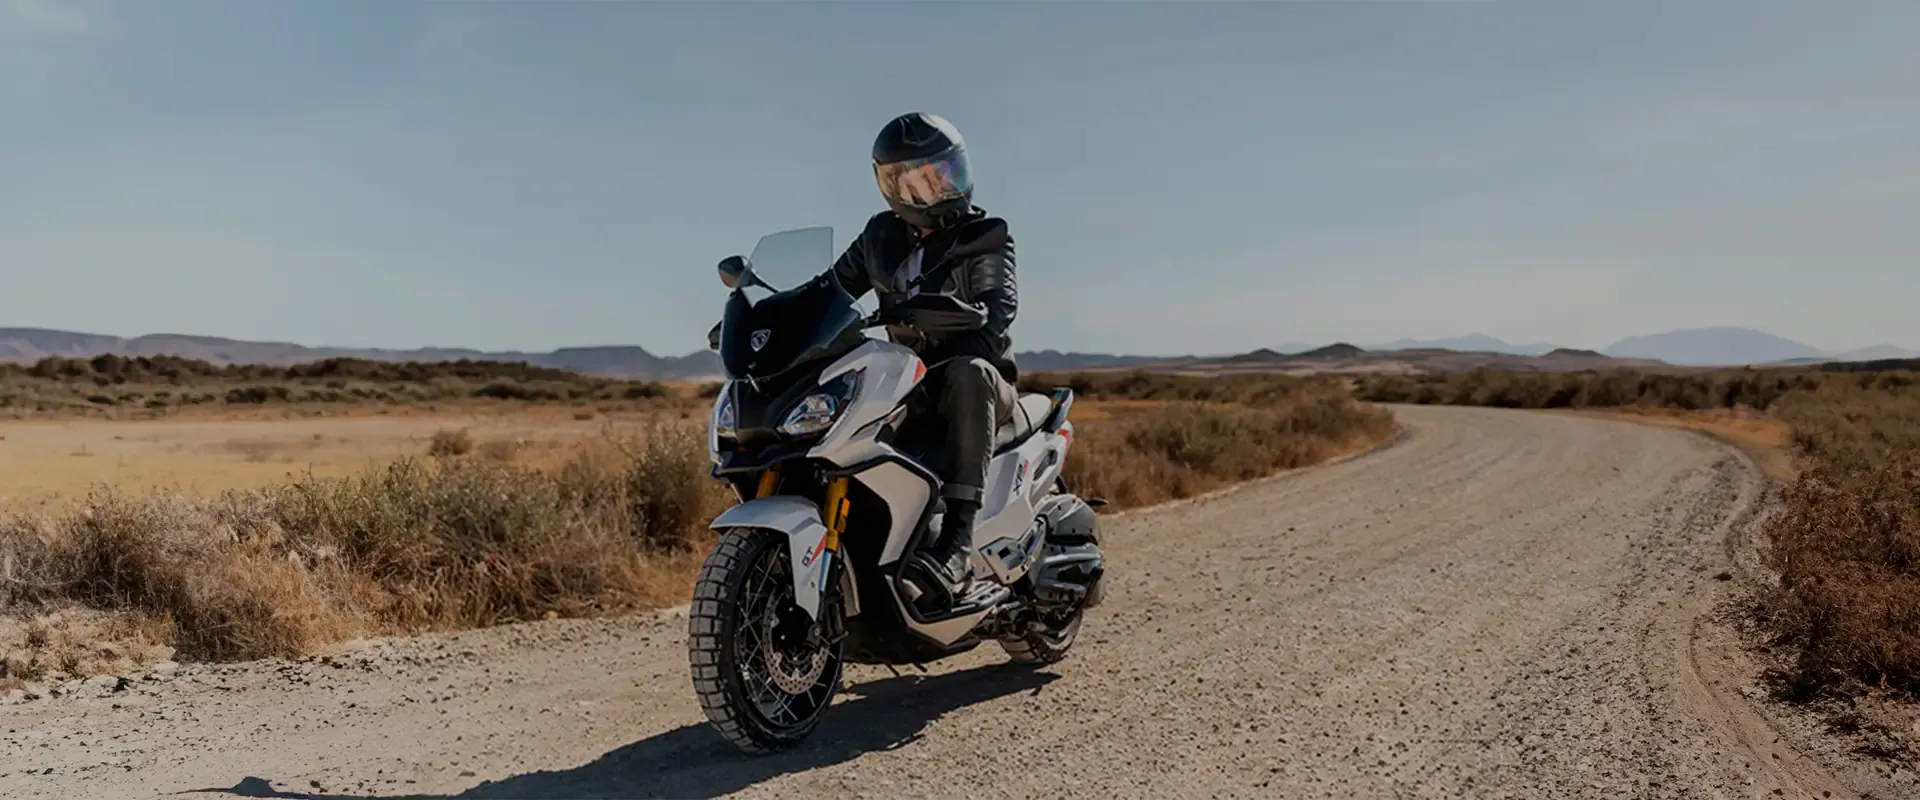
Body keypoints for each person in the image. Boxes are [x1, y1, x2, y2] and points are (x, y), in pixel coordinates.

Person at [825, 111, 1018, 604]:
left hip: (982, 387)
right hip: (904, 383)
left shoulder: (987, 234)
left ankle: (958, 541)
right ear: (893, 186)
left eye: (945, 173)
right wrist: (771, 316)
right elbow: (829, 290)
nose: (938, 187)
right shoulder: (879, 237)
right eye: (921, 179)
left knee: (969, 372)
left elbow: (996, 318)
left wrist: (952, 315)